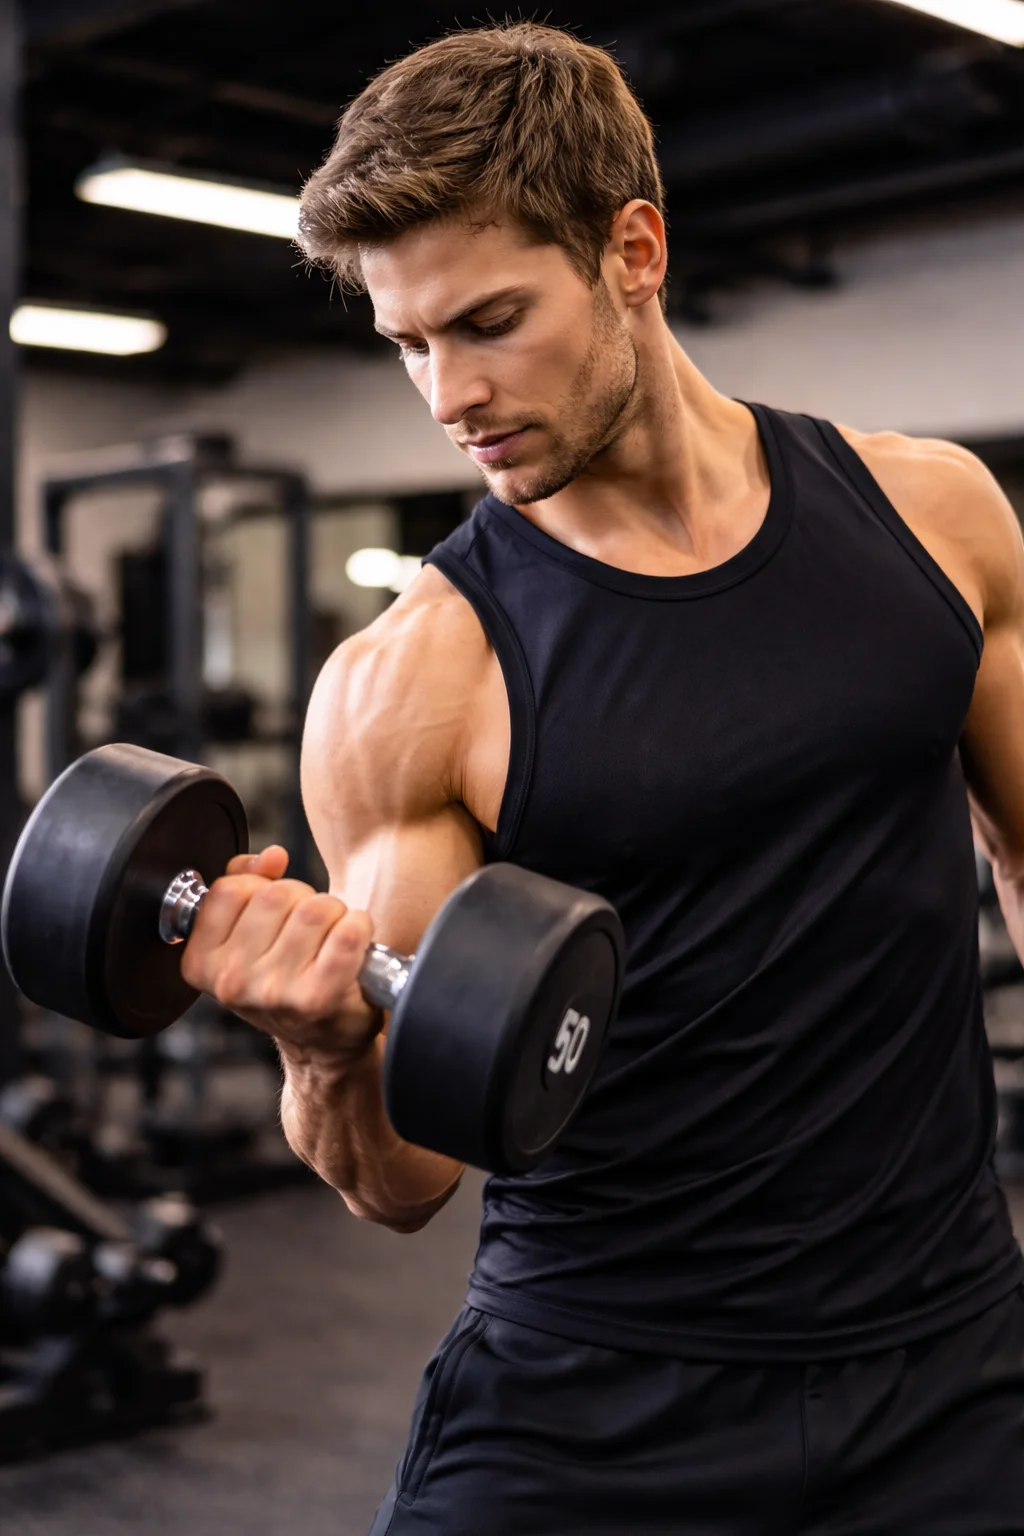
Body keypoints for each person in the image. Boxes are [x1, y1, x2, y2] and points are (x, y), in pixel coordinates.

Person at [181, 22, 1024, 1534]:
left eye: (490, 321)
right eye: (410, 344)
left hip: (954, 1364)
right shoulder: (410, 685)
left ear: (633, 249)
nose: (447, 397)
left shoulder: (937, 520)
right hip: (595, 1398)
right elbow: (403, 1180)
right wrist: (316, 1056)